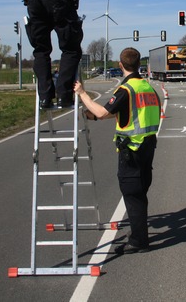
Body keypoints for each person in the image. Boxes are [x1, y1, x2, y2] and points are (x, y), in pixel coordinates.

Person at [74, 48, 160, 254]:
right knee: (139, 193)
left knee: (132, 195)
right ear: (139, 64)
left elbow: (104, 112)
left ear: (120, 65)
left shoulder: (126, 89)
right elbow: (128, 112)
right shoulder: (147, 87)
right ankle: (140, 235)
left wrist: (82, 93)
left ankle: (139, 241)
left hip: (131, 150)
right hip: (147, 147)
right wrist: (94, 116)